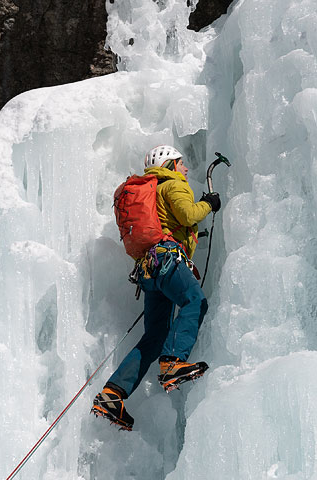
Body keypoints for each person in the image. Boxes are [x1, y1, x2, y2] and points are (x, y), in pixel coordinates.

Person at [91, 145, 221, 430]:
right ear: (171, 164)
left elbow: (173, 223)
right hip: (166, 261)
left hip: (149, 269)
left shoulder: (153, 190)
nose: (186, 169)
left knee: (155, 336)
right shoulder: (173, 184)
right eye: (182, 163)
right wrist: (209, 204)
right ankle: (174, 361)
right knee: (195, 301)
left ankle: (113, 394)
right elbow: (187, 215)